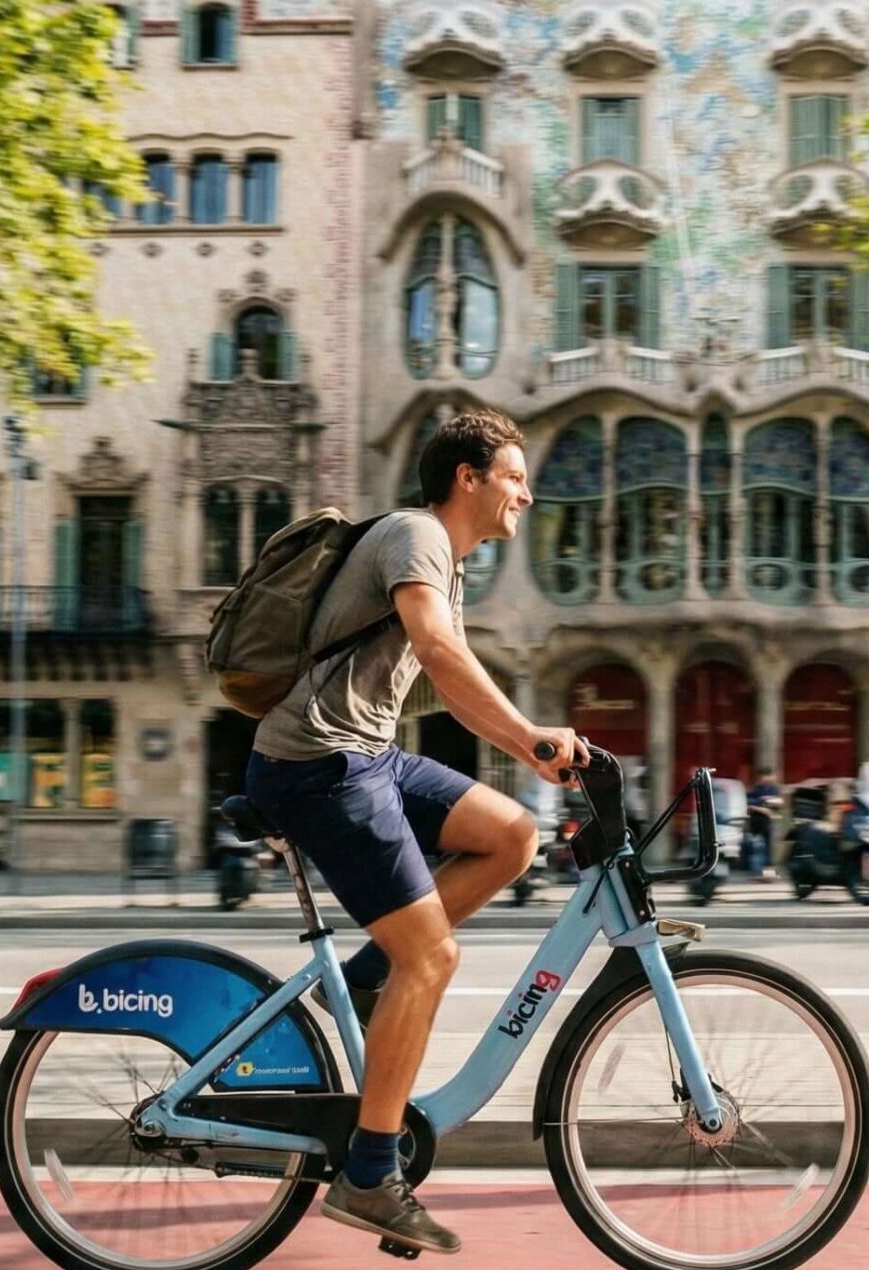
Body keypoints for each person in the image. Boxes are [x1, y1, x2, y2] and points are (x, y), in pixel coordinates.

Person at [245, 408, 587, 1255]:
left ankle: (360, 982)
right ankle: (367, 1175)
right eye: (514, 476)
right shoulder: (416, 536)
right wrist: (531, 739)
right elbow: (437, 652)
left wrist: (523, 745)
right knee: (431, 957)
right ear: (467, 478)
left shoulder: (446, 560)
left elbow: (438, 671)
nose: (527, 493)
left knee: (512, 835)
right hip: (319, 763)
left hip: (367, 755)